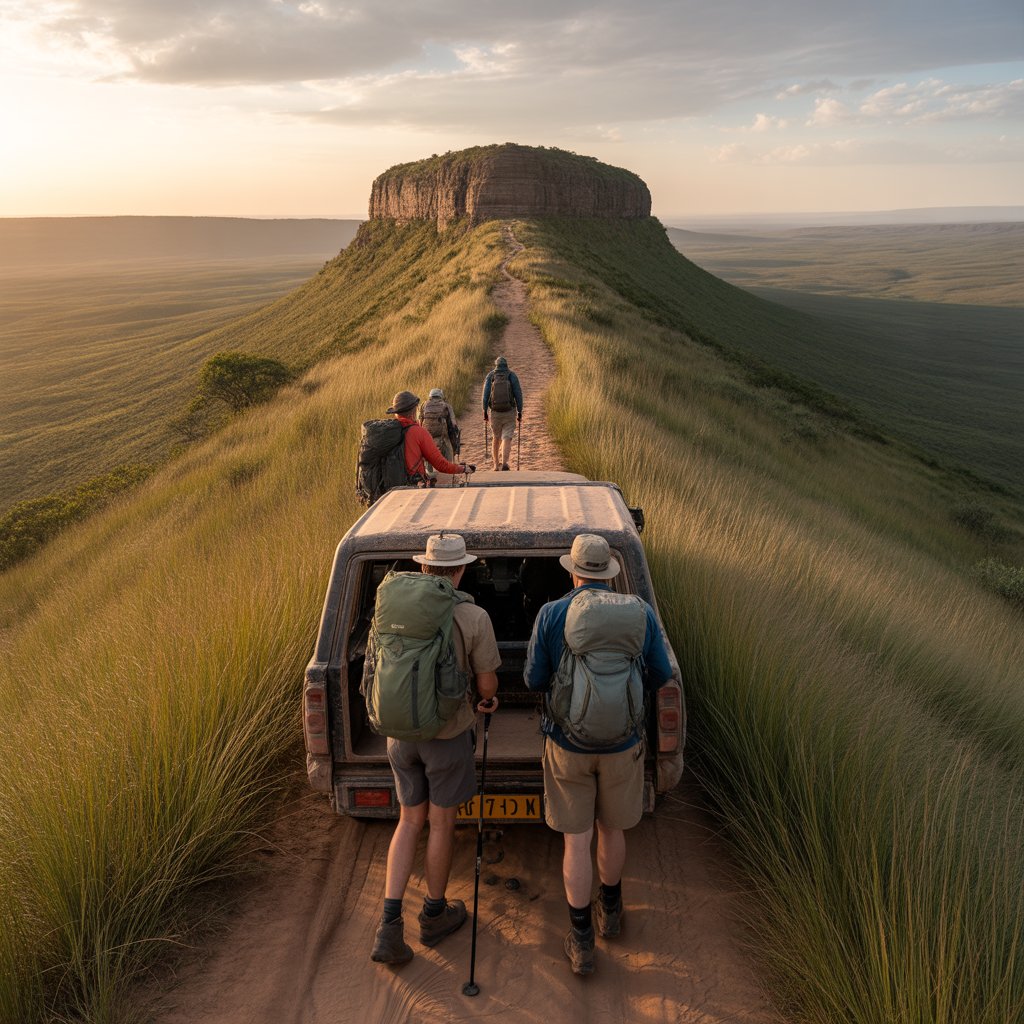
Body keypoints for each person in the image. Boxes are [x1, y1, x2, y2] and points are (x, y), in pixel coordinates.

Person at [523, 534, 673, 977]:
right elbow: (661, 675)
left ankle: (582, 938)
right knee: (611, 830)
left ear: (572, 572)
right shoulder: (639, 614)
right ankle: (612, 911)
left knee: (577, 840)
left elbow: (534, 679)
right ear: (609, 574)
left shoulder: (552, 614)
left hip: (567, 744)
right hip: (623, 745)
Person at [370, 533, 501, 965]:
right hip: (446, 739)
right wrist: (488, 699)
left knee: (409, 822)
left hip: (399, 736)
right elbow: (485, 685)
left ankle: (389, 927)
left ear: (424, 566)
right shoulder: (473, 616)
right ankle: (433, 913)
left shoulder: (392, 605)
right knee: (441, 825)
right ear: (461, 569)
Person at [386, 390, 473, 484]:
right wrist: (463, 468)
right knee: (451, 480)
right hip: (414, 484)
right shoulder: (419, 432)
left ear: (395, 412)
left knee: (430, 472)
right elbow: (441, 465)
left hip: (389, 485)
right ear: (414, 411)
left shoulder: (387, 431)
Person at [481, 356, 523, 472]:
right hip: (509, 412)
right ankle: (505, 463)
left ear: (496, 365)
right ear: (506, 365)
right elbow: (518, 394)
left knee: (496, 437)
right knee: (507, 437)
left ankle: (495, 465)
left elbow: (485, 396)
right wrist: (520, 411)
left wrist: (485, 411)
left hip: (495, 412)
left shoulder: (491, 376)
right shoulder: (512, 375)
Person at [418, 387, 460, 480]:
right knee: (448, 454)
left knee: (427, 457)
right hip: (443, 437)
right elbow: (454, 424)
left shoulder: (423, 405)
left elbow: (419, 422)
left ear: (430, 396)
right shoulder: (446, 405)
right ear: (441, 396)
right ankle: (449, 476)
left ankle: (429, 475)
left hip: (428, 437)